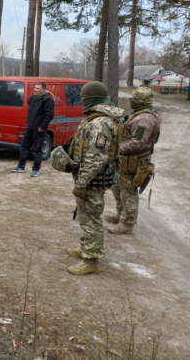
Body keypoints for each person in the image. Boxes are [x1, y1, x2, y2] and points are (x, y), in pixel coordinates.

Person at [62, 81, 124, 275]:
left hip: (92, 179)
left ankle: (91, 260)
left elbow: (97, 157)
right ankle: (87, 247)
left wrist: (82, 183)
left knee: (91, 217)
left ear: (90, 99)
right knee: (85, 216)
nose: (82, 102)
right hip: (89, 177)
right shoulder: (96, 118)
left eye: (83, 98)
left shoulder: (101, 123)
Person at [106, 87, 160, 234]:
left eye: (133, 96)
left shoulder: (144, 119)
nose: (130, 98)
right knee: (117, 187)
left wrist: (115, 150)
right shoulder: (139, 115)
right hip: (124, 160)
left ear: (141, 100)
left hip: (133, 162)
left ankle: (127, 224)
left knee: (128, 192)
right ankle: (120, 214)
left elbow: (137, 143)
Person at [11, 82, 54, 177]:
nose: (35, 89)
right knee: (23, 147)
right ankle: (21, 167)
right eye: (35, 88)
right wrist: (28, 123)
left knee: (37, 149)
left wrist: (42, 126)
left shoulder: (47, 100)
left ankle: (35, 169)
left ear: (43, 90)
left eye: (38, 88)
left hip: (39, 129)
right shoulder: (32, 98)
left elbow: (49, 115)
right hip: (30, 127)